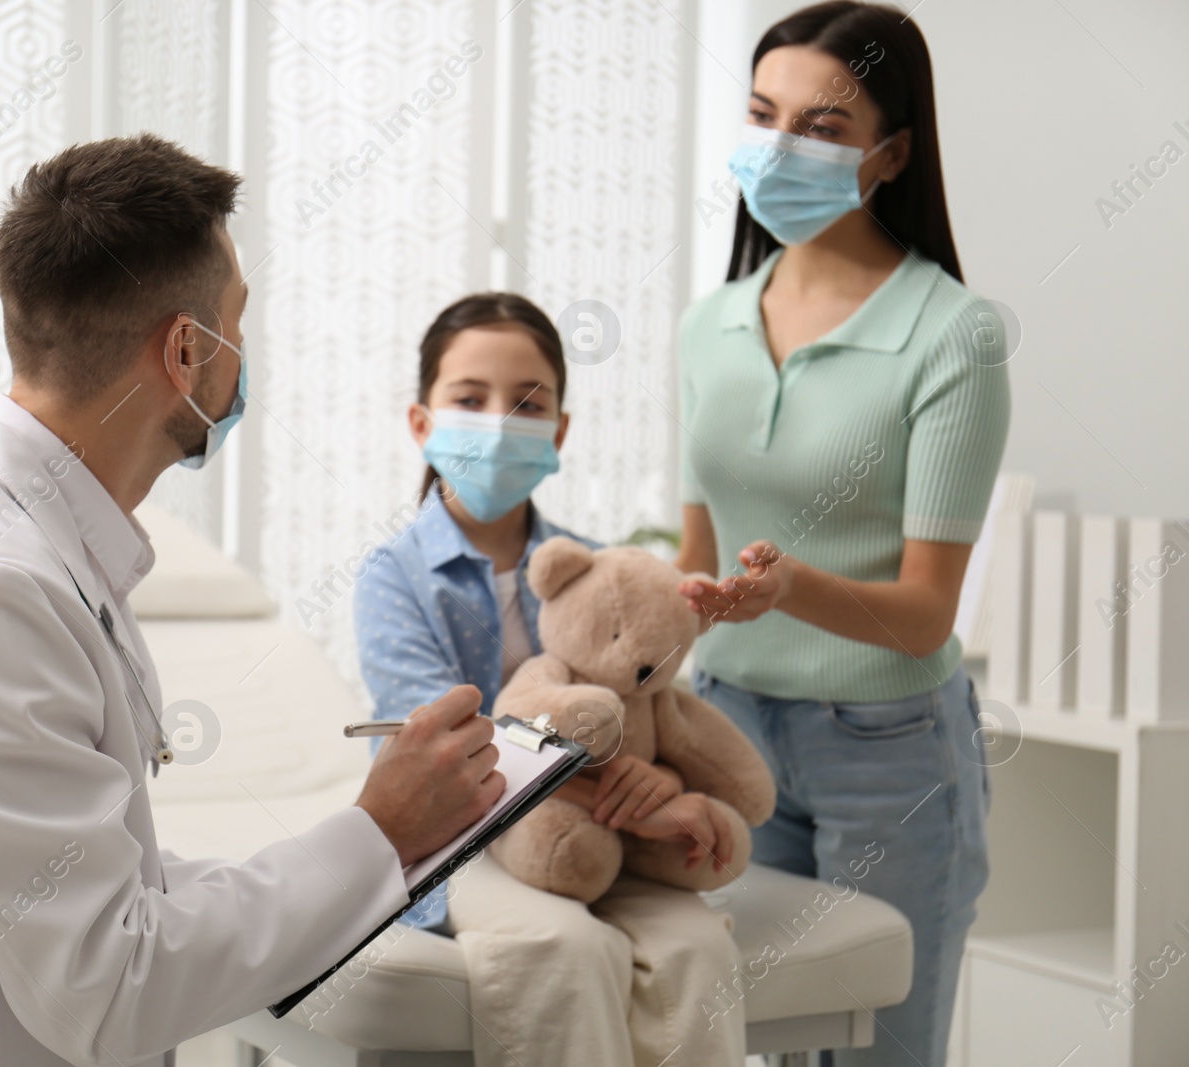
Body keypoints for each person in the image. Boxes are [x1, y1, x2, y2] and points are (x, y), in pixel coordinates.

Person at [0, 135, 505, 1067]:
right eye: (239, 318)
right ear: (188, 350)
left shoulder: (34, 544)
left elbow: (113, 889)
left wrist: (363, 843)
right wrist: (378, 831)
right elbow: (109, 988)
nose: (245, 351)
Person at [674, 4, 1010, 1065]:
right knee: (740, 1037)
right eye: (761, 115)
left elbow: (923, 618)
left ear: (890, 153)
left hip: (887, 753)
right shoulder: (708, 325)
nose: (778, 148)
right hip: (726, 730)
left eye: (821, 127)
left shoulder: (953, 333)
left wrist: (788, 589)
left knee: (879, 1053)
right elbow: (694, 560)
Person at [354, 292, 746, 1067]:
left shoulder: (601, 568)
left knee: (699, 951)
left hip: (612, 839)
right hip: (459, 840)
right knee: (564, 947)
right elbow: (441, 749)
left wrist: (667, 791)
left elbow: (657, 711)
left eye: (528, 402)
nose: (499, 420)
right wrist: (616, 793)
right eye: (470, 398)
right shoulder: (392, 576)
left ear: (560, 431)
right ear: (422, 424)